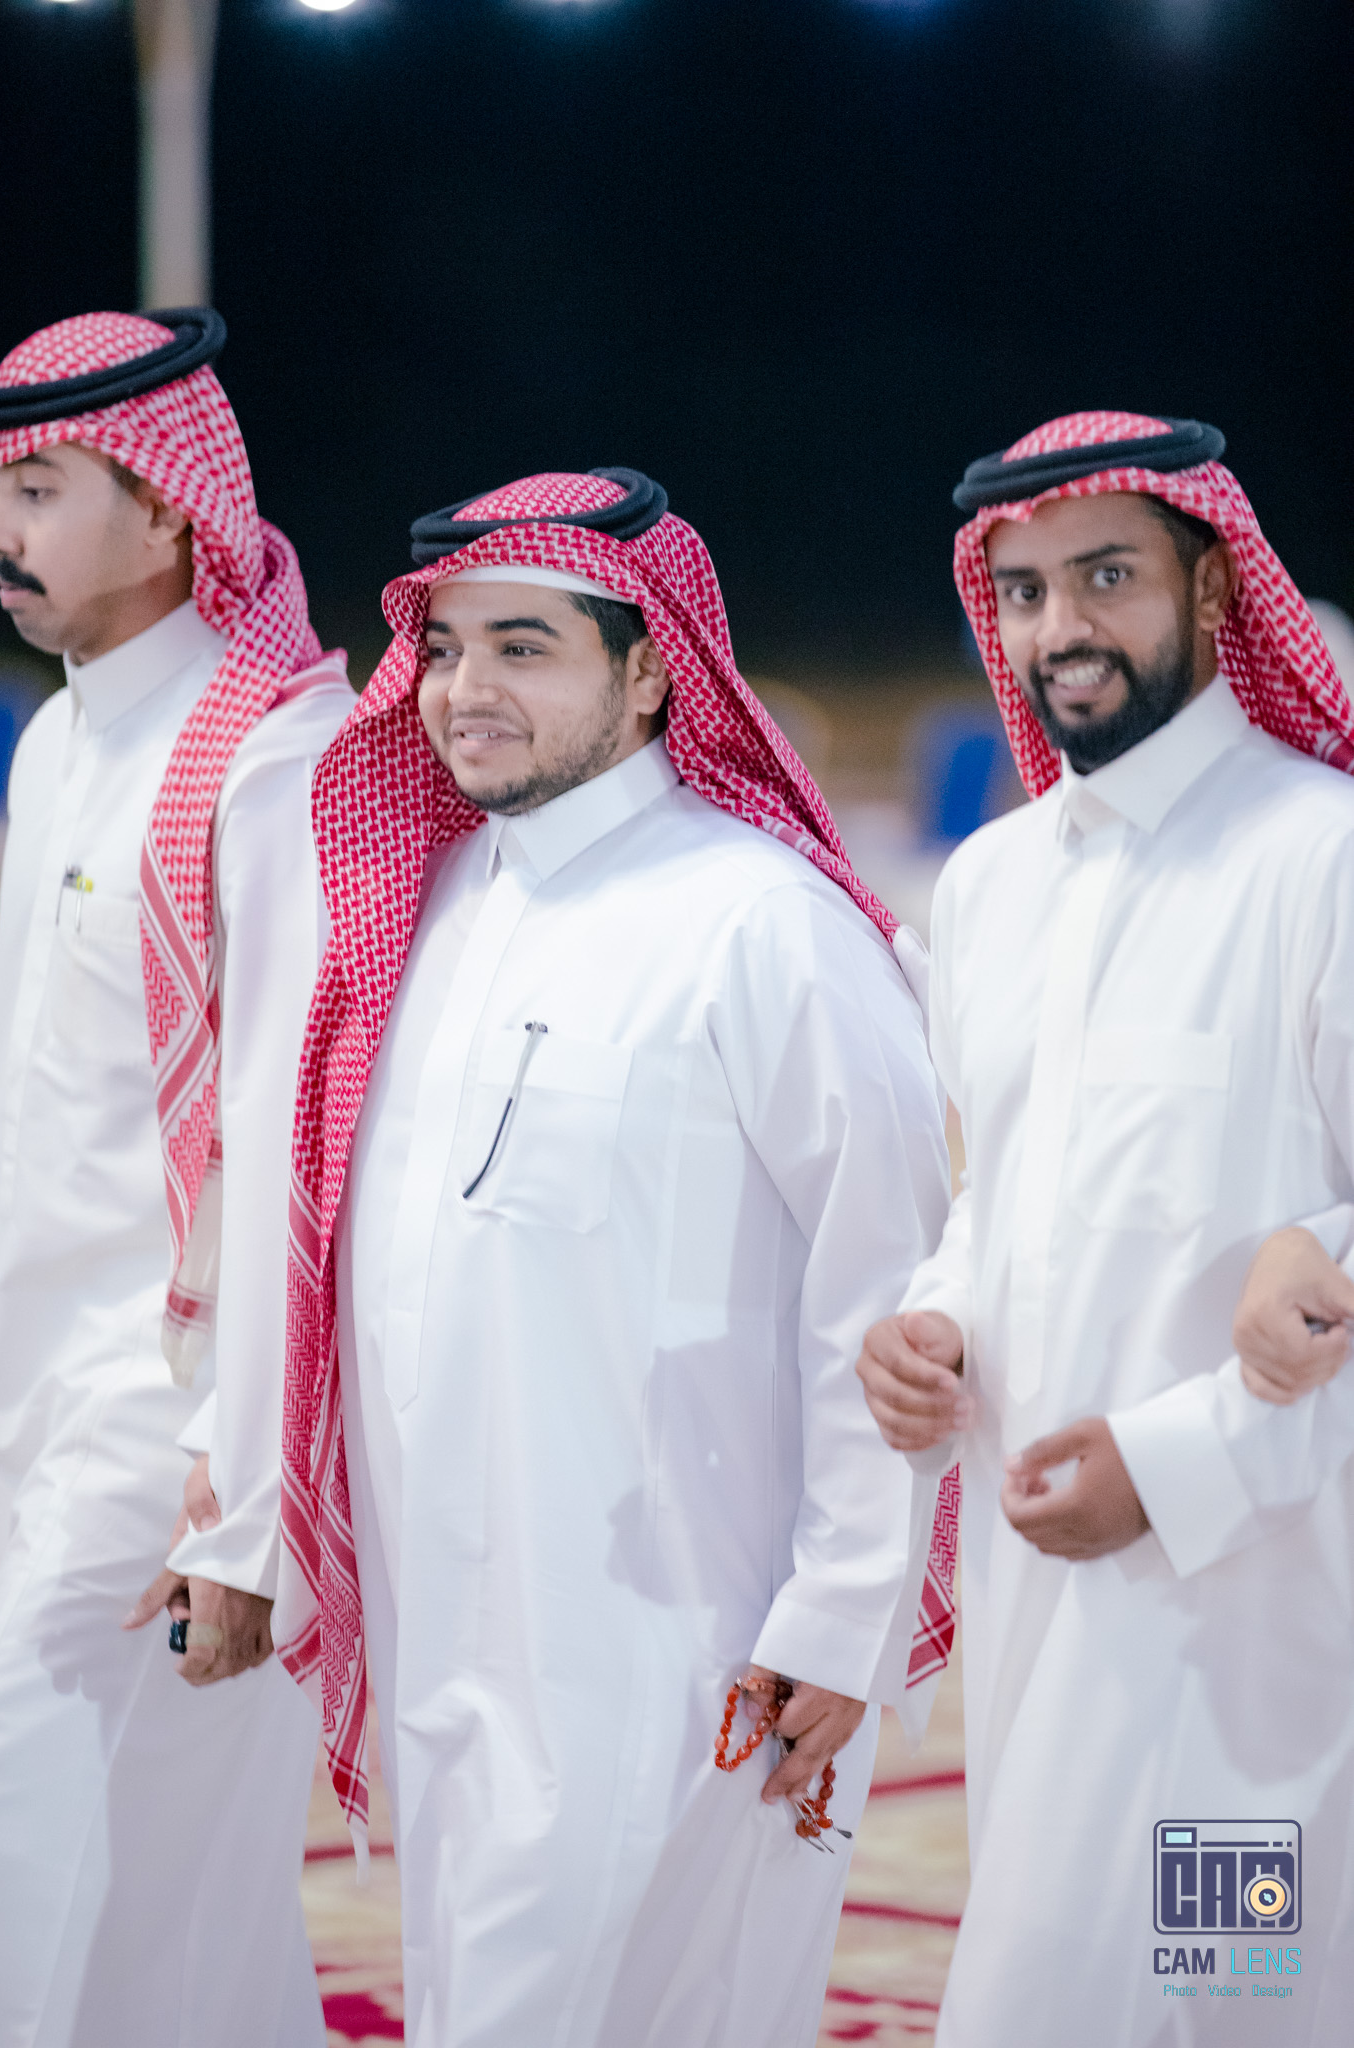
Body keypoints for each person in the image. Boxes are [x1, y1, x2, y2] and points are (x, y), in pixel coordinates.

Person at [276, 467, 959, 2048]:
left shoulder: (760, 924)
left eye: (523, 647)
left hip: (687, 1637)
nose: (466, 688)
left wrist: (838, 1613)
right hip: (451, 1621)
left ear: (650, 671)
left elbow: (888, 1289)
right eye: (445, 648)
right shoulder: (429, 907)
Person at [856, 412, 1354, 2045]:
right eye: (1021, 592)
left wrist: (1170, 1463)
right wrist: (936, 1323)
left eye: (1105, 577)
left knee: (1228, 2005)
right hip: (1038, 1596)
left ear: (1209, 588)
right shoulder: (990, 886)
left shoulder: (1322, 854)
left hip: (1254, 1612)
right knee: (1054, 1984)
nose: (1058, 626)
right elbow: (1002, 1193)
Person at [0, 310, 353, 2048]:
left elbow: (294, 1141)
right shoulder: (61, 744)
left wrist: (252, 1489)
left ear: (164, 505)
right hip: (34, 1384)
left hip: (175, 1413)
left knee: (29, 1802)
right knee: (175, 1893)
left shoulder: (270, 758)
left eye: (41, 488)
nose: (1, 531)